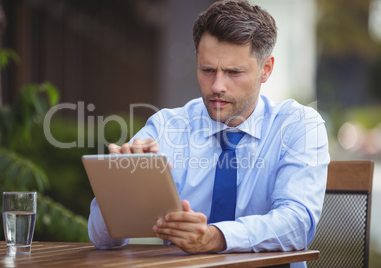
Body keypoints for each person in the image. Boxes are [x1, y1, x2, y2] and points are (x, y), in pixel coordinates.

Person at [88, 0, 329, 267]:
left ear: (266, 69)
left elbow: (296, 224)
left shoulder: (298, 125)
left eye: (234, 72)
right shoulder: (167, 127)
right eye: (207, 70)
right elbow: (102, 239)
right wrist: (122, 185)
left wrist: (215, 238)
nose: (217, 86)